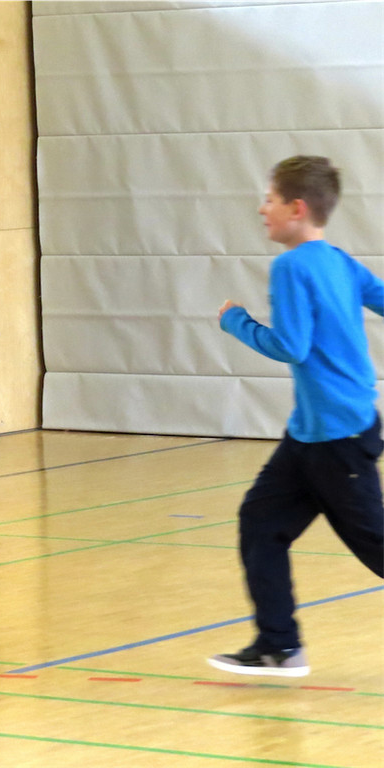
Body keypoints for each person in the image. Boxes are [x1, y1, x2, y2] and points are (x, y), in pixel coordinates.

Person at [209, 155, 383, 677]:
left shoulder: (292, 267)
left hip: (337, 437)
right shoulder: (339, 261)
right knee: (260, 522)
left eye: (270, 200)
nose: (262, 209)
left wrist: (235, 321)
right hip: (311, 434)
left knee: (377, 546)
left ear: (297, 208)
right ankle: (278, 647)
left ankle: (278, 645)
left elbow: (290, 345)